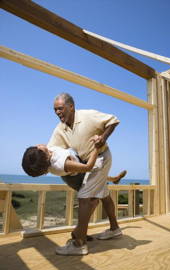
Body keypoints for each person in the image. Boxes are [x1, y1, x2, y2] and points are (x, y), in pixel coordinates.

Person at [47, 92, 123, 255]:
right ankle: (115, 228)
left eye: (60, 109)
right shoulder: (60, 129)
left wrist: (103, 138)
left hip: (101, 157)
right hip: (89, 163)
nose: (57, 112)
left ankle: (78, 243)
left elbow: (113, 120)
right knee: (104, 195)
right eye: (55, 110)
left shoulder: (88, 116)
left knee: (84, 197)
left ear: (71, 106)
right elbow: (51, 148)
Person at [22, 143, 127, 188]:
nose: (38, 145)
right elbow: (87, 168)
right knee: (99, 185)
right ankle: (114, 180)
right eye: (38, 148)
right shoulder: (63, 164)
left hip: (76, 164)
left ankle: (115, 179)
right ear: (43, 156)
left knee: (101, 178)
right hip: (78, 176)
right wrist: (96, 148)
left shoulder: (49, 154)